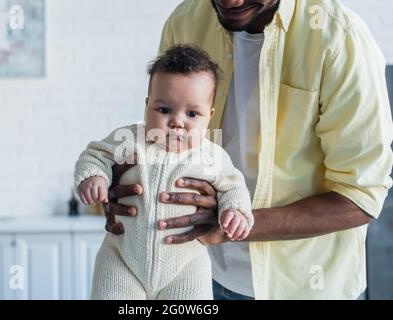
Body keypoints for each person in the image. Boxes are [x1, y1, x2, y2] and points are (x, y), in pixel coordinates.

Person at [101, 0, 393, 300]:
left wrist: (232, 223)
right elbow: (164, 136)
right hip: (194, 278)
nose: (231, 2)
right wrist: (124, 184)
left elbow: (361, 196)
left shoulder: (339, 39)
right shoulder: (185, 21)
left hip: (301, 289)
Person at [74, 45, 253, 299]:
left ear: (209, 116)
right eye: (164, 110)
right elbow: (95, 155)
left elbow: (232, 186)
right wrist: (94, 176)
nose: (177, 121)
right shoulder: (130, 139)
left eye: (192, 113)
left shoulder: (211, 155)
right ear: (148, 105)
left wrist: (235, 211)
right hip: (122, 260)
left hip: (185, 266)